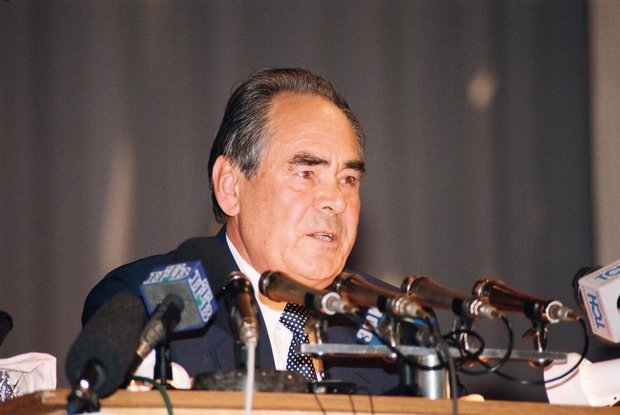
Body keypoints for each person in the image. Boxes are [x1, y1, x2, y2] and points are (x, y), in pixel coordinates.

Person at [82, 68, 401, 395]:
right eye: (305, 173)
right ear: (230, 187)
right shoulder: (152, 308)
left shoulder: (391, 322)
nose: (336, 200)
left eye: (348, 179)